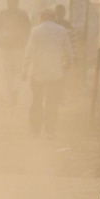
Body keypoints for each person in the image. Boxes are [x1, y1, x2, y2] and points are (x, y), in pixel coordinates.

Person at [22, 8, 73, 138]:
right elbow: (68, 51)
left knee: (37, 101)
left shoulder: (36, 31)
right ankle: (50, 131)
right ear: (53, 17)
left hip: (38, 73)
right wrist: (67, 66)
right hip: (56, 74)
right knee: (52, 102)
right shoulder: (61, 30)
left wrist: (25, 70)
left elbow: (28, 52)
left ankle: (35, 129)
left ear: (42, 17)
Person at [0, 0, 31, 105]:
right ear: (17, 2)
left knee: (8, 72)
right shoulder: (23, 14)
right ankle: (14, 93)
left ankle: (11, 94)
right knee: (16, 72)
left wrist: (0, 44)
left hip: (7, 48)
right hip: (18, 48)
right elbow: (28, 30)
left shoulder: (3, 14)